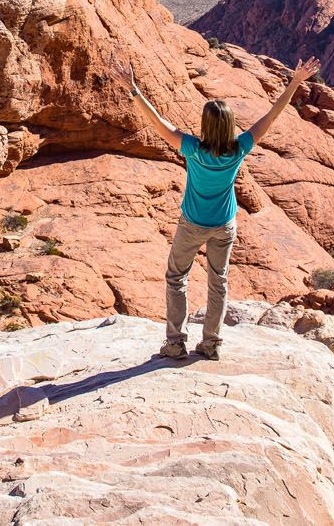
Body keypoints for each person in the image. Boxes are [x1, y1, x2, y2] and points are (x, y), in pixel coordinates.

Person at [111, 55, 320, 360]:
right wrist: (295, 82)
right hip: (224, 225)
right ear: (230, 126)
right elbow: (272, 115)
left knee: (176, 278)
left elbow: (157, 123)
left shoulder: (192, 148)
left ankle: (176, 343)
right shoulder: (240, 148)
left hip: (193, 223)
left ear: (205, 125)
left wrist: (133, 89)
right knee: (218, 282)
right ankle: (211, 345)